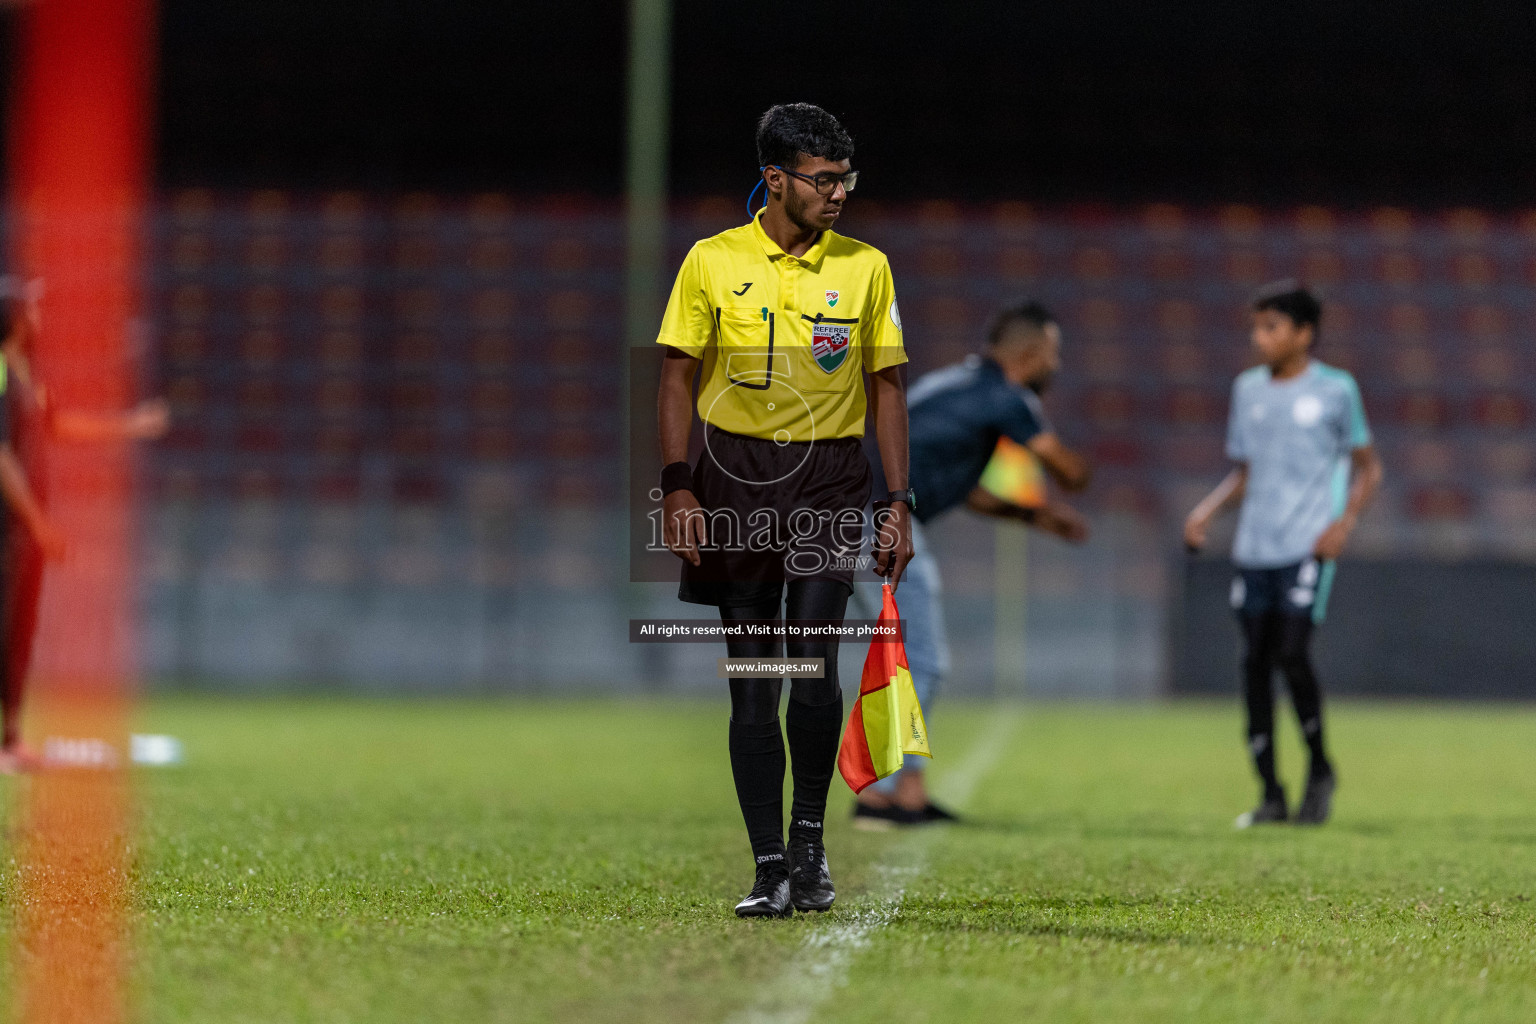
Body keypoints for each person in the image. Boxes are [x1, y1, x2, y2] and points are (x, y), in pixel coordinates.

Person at [654, 104, 913, 917]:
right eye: (824, 179)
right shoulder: (710, 261)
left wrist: (896, 501)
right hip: (736, 481)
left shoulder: (866, 267)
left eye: (847, 179)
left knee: (812, 671)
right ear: (776, 179)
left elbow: (886, 389)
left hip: (831, 482)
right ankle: (767, 865)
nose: (839, 194)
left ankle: (809, 844)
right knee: (753, 684)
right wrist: (678, 483)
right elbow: (674, 377)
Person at [851, 300, 1092, 828]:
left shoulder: (953, 385)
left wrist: (1034, 516)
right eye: (1053, 354)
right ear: (1030, 354)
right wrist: (1079, 475)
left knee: (912, 656)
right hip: (878, 522)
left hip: (859, 513)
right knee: (920, 659)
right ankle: (874, 796)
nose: (1055, 364)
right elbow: (1068, 470)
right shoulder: (1009, 398)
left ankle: (907, 794)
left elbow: (958, 485)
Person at [1184, 281, 1383, 828]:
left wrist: (1344, 524)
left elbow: (1369, 466)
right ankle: (1270, 792)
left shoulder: (1337, 390)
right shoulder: (1247, 390)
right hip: (1255, 549)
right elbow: (1246, 473)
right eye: (1256, 327)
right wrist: (1206, 511)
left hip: (1306, 546)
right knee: (1253, 665)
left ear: (1303, 333)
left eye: (1271, 327)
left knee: (1291, 652)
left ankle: (1320, 768)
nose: (1259, 338)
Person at [0, 279, 169, 773]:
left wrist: (131, 425)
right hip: (10, 528)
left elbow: (58, 424)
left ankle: (10, 741)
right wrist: (38, 522)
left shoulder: (22, 372)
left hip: (21, 529)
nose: (38, 317)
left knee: (19, 631)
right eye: (31, 309)